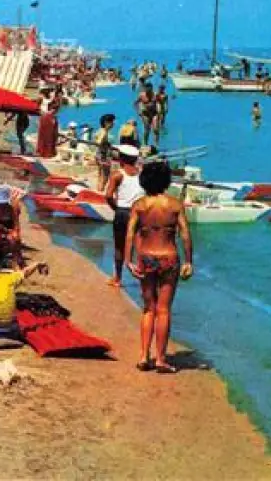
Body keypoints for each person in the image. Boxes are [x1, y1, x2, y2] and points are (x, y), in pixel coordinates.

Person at [125, 161, 194, 374]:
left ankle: (144, 356)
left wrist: (128, 260)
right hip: (168, 258)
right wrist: (189, 261)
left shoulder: (139, 205)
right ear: (166, 181)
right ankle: (161, 359)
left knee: (148, 308)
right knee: (163, 310)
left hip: (146, 257)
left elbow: (130, 233)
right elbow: (185, 234)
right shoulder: (174, 205)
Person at [103, 144, 144, 288]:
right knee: (139, 246)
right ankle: (143, 277)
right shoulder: (142, 174)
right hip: (139, 213)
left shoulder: (117, 175)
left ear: (121, 159)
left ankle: (117, 278)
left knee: (119, 246)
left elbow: (108, 196)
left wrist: (116, 208)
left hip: (122, 212)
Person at [95, 113, 117, 187]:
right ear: (106, 123)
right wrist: (106, 144)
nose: (113, 124)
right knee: (105, 176)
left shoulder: (100, 130)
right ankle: (100, 190)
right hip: (103, 155)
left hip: (99, 154)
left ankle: (98, 189)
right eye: (112, 122)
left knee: (100, 175)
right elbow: (99, 142)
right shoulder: (104, 132)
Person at [35, 92, 59, 158]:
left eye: (53, 95)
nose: (52, 95)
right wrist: (42, 113)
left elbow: (54, 110)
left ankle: (48, 153)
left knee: (49, 136)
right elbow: (38, 108)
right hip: (45, 118)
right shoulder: (43, 100)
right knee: (43, 135)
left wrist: (47, 113)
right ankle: (41, 152)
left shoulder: (55, 102)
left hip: (49, 119)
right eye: (51, 94)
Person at [136, 82, 160, 147]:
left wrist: (159, 109)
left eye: (150, 88)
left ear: (152, 88)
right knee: (147, 129)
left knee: (155, 129)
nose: (148, 90)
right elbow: (136, 103)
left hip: (154, 113)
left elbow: (160, 102)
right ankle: (145, 144)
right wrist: (138, 111)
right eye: (147, 88)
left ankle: (156, 145)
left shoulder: (155, 94)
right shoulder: (141, 95)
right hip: (145, 114)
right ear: (145, 88)